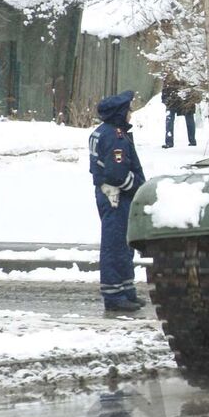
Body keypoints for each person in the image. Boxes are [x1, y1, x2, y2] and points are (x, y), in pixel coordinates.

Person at [89, 90, 146, 313]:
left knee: (123, 244)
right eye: (128, 110)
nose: (131, 113)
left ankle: (126, 290)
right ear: (119, 113)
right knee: (116, 245)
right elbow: (117, 174)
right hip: (116, 196)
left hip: (109, 194)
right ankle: (114, 295)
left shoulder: (103, 132)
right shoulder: (115, 137)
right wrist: (138, 188)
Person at [161, 72, 200, 148]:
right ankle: (191, 141)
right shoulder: (187, 71)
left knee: (172, 120)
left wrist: (166, 99)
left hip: (182, 100)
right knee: (172, 120)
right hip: (176, 100)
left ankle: (170, 142)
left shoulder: (176, 72)